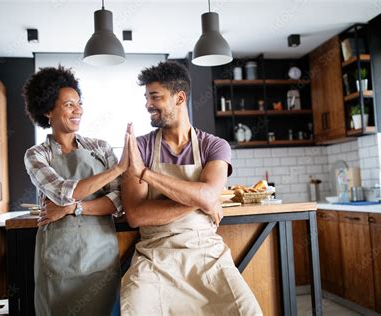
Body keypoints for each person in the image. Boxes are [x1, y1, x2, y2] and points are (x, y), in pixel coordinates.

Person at [121, 61, 262, 315]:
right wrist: (200, 201)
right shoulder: (139, 146)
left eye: (155, 97)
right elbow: (136, 215)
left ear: (179, 98)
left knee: (247, 310)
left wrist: (144, 173)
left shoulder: (215, 146)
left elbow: (208, 194)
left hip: (207, 254)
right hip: (155, 255)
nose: (147, 105)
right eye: (146, 97)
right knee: (136, 306)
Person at [23, 65, 128, 315]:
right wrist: (116, 170)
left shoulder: (100, 148)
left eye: (79, 103)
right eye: (69, 104)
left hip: (100, 256)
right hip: (59, 259)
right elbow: (62, 191)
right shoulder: (37, 155)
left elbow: (119, 200)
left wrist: (73, 208)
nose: (78, 109)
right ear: (48, 109)